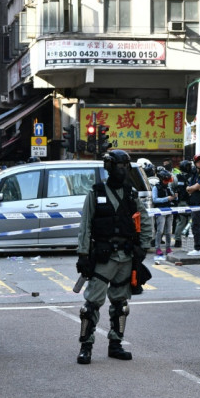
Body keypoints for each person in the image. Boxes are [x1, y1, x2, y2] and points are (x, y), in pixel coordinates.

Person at [75, 150, 152, 365]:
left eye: (125, 166)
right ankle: (86, 346)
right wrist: (83, 254)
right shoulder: (95, 192)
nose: (123, 171)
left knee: (121, 305)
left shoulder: (131, 194)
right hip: (102, 257)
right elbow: (86, 226)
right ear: (109, 168)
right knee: (90, 305)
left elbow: (144, 220)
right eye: (119, 166)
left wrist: (144, 247)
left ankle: (115, 344)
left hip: (125, 257)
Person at [152, 169, 177, 259]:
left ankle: (168, 248)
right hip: (160, 211)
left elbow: (172, 196)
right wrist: (167, 198)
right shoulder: (156, 188)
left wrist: (174, 197)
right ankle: (157, 248)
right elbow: (155, 200)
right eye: (165, 180)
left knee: (169, 231)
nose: (167, 182)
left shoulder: (168, 187)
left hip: (169, 210)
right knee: (160, 231)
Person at [172, 160, 193, 248]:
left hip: (180, 203)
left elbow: (172, 188)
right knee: (190, 222)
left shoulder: (177, 177)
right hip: (189, 202)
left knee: (180, 222)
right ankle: (186, 239)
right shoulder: (191, 177)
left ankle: (177, 240)